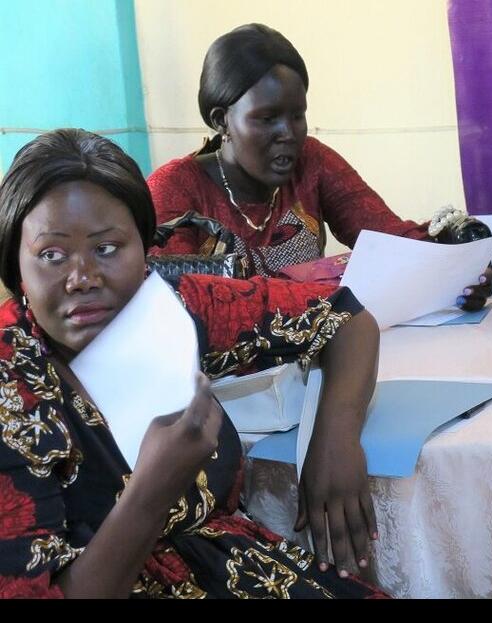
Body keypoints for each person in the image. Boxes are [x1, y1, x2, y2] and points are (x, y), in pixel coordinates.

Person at [0, 129, 388, 598]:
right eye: (52, 255)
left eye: (106, 248)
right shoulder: (13, 390)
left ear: (145, 249)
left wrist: (335, 441)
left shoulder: (167, 309)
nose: (82, 278)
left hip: (233, 568)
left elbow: (344, 318)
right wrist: (152, 490)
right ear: (16, 267)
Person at [148, 23, 492, 310]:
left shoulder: (311, 161)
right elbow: (176, 301)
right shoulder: (175, 189)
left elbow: (388, 239)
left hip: (318, 355)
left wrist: (456, 262)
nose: (288, 133)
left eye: (297, 116)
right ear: (221, 120)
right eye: (267, 118)